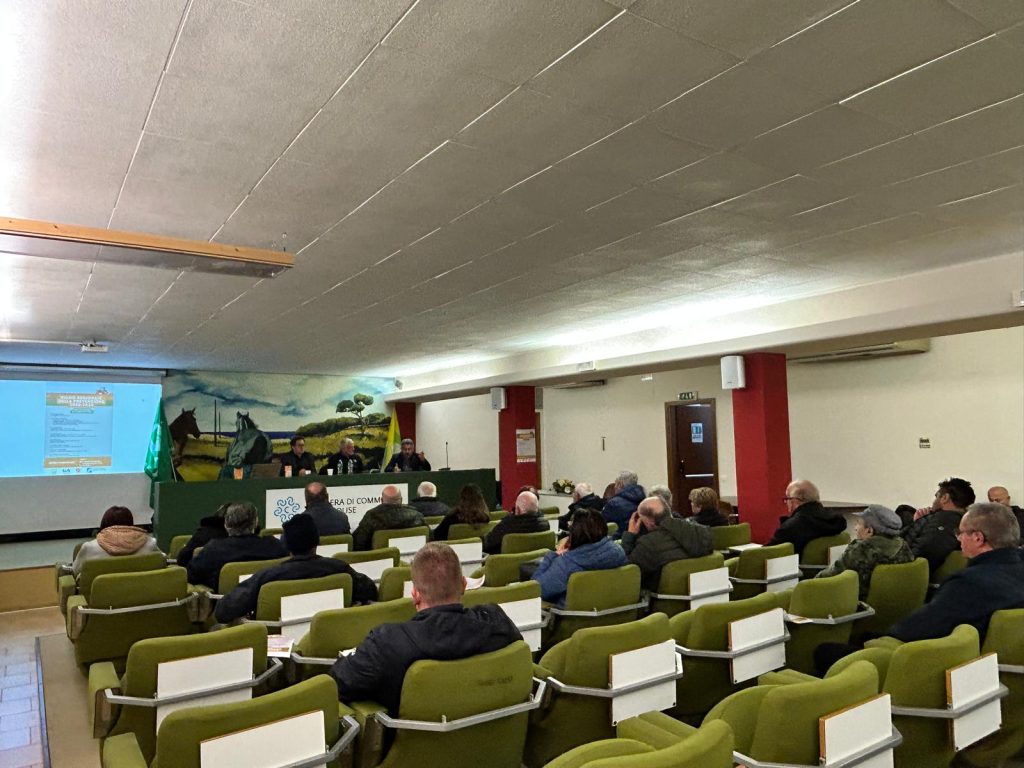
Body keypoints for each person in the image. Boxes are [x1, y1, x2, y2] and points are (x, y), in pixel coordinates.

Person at [329, 543, 522, 715]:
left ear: (415, 594)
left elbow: (338, 684)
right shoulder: (497, 622)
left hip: (410, 743)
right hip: (493, 737)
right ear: (464, 585)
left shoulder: (385, 643)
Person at [889, 503, 1024, 642]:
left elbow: (917, 629)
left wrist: (882, 636)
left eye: (961, 533)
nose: (958, 538)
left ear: (978, 538)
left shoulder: (968, 583)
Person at [214, 513, 377, 623]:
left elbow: (223, 612)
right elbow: (370, 590)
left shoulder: (268, 576)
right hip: (330, 640)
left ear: (286, 546)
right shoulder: (339, 568)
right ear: (317, 542)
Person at [816, 505, 913, 599]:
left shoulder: (861, 550)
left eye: (858, 523)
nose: (855, 528)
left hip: (855, 603)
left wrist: (810, 583)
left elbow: (829, 576)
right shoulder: (904, 547)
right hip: (894, 604)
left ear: (869, 531)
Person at [533, 509, 627, 606]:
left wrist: (552, 556)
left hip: (568, 614)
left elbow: (535, 591)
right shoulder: (619, 553)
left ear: (575, 532)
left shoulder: (567, 563)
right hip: (610, 611)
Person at [186, 502, 288, 589]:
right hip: (269, 602)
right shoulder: (274, 546)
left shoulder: (214, 549)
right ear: (256, 523)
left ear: (226, 524)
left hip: (224, 603)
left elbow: (192, 575)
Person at [621, 496, 714, 590]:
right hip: (704, 592)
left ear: (649, 522)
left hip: (662, 598)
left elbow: (628, 574)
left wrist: (630, 535)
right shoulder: (702, 532)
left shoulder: (648, 544)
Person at [901, 477, 975, 574]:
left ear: (945, 498)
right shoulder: (949, 520)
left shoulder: (946, 522)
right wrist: (917, 522)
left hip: (905, 571)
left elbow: (923, 553)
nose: (934, 501)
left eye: (937, 496)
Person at [72, 506, 162, 575]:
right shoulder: (150, 544)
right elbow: (162, 563)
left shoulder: (89, 548)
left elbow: (74, 572)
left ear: (104, 524)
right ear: (130, 523)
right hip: (142, 593)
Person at [766, 479, 845, 556]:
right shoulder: (836, 521)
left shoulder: (791, 527)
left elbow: (767, 554)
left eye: (787, 499)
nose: (786, 503)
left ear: (795, 501)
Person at [352, 485, 425, 551]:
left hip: (381, 559)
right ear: (401, 500)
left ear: (381, 500)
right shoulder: (417, 516)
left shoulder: (372, 517)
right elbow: (428, 539)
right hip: (413, 558)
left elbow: (358, 544)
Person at [484, 490, 548, 555]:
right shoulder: (545, 525)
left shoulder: (508, 525)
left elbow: (488, 543)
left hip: (504, 561)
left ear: (517, 510)